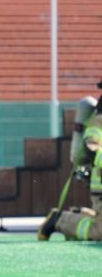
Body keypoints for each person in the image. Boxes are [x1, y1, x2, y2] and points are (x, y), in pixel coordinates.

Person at [39, 80, 102, 241]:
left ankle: (82, 214)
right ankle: (59, 220)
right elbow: (92, 140)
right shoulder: (100, 117)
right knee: (100, 232)